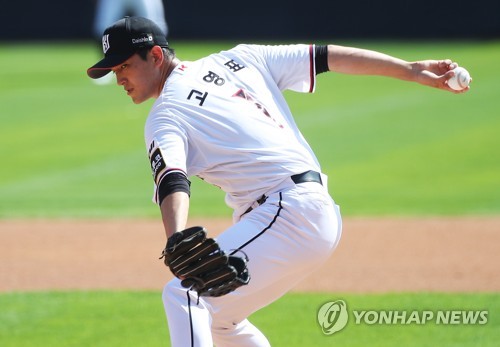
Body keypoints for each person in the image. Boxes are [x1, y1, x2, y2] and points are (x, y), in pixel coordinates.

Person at [87, 16, 469, 347]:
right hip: (309, 213)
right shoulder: (238, 58)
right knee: (222, 319)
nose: (118, 78)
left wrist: (175, 237)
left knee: (185, 295)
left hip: (287, 215)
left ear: (155, 56)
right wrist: (410, 70)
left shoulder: (165, 113)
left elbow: (172, 180)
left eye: (122, 66)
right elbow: (326, 56)